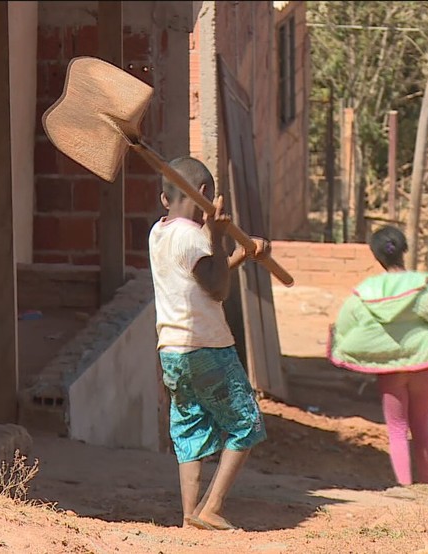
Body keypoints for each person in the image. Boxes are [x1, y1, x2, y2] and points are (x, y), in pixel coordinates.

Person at [148, 156, 271, 531]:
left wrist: (238, 256)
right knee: (246, 423)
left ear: (165, 199)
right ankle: (211, 507)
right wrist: (216, 235)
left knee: (189, 429)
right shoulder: (193, 237)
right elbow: (217, 289)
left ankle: (190, 516)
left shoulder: (160, 233)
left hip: (172, 351)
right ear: (205, 194)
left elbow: (202, 278)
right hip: (206, 347)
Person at [328, 225, 428, 490]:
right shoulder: (422, 286)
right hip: (422, 364)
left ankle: (404, 487)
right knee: (421, 425)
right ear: (404, 250)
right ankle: (425, 486)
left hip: (390, 369)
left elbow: (344, 325)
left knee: (397, 429)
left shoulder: (365, 292)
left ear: (376, 256)